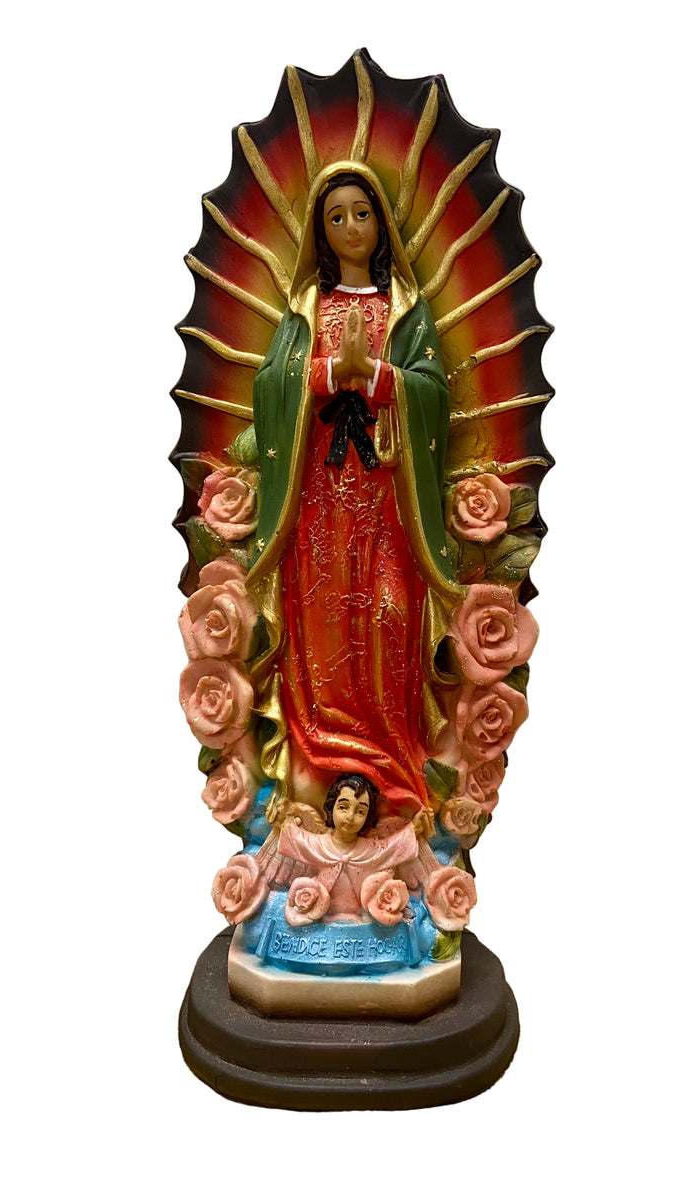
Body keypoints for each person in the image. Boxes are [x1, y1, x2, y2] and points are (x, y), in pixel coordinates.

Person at [246, 163, 462, 819]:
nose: (350, 227)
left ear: (381, 223)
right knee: (325, 622)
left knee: (389, 615)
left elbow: (434, 393)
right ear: (320, 230)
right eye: (335, 216)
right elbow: (270, 386)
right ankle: (324, 778)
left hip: (388, 499)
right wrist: (324, 373)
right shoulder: (306, 310)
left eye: (361, 213)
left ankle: (394, 768)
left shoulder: (405, 311)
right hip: (317, 501)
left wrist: (379, 376)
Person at [274, 773, 430, 920]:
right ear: (331, 806)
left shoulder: (371, 850)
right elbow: (296, 840)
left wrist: (413, 829)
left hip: (362, 924)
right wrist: (282, 820)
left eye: (360, 811)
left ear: (367, 817)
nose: (350, 817)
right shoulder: (318, 846)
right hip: (326, 922)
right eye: (343, 807)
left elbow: (391, 848)